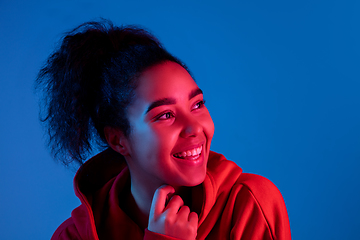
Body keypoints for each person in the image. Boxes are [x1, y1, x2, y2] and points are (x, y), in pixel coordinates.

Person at [36, 20, 291, 240]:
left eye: (197, 104)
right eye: (165, 115)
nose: (194, 127)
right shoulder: (75, 235)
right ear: (118, 140)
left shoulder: (249, 205)